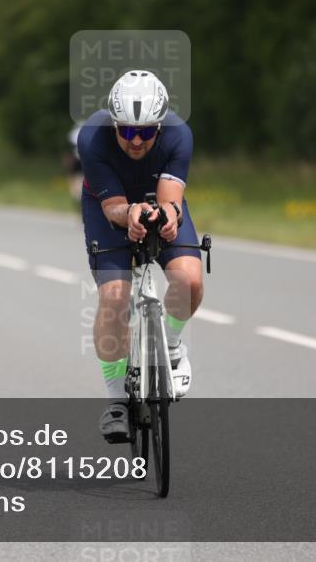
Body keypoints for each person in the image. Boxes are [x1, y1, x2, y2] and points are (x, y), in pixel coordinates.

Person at [77, 70, 204, 441]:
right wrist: (128, 214)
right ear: (113, 123)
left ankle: (173, 346)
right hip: (108, 205)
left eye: (146, 132)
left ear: (160, 127)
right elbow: (113, 207)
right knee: (115, 296)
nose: (135, 140)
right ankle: (116, 399)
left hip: (156, 198)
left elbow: (169, 199)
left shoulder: (179, 134)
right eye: (127, 131)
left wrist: (168, 218)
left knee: (190, 278)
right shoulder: (93, 137)